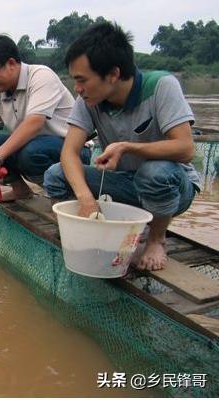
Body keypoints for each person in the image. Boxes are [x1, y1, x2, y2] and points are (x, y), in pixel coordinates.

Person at [43, 22, 201, 271]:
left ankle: (157, 239)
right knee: (55, 175)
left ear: (113, 74)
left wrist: (128, 148)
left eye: (82, 80)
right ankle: (82, 233)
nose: (78, 88)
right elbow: (69, 152)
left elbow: (185, 148)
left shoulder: (161, 86)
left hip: (173, 186)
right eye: (75, 80)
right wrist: (86, 199)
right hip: (126, 182)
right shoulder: (88, 100)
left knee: (154, 173)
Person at [0, 35, 90, 205]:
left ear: (11, 64)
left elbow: (34, 123)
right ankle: (20, 190)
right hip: (35, 148)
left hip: (73, 151)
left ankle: (62, 195)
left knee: (29, 152)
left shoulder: (41, 76)